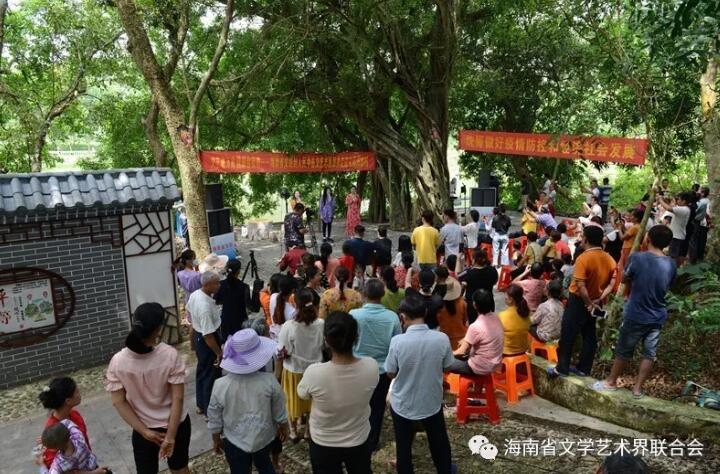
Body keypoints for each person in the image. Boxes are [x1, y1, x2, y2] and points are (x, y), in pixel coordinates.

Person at [591, 225, 676, 399]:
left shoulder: (637, 257)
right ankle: (637, 389)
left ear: (648, 239)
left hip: (636, 312)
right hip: (658, 314)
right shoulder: (671, 263)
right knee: (649, 353)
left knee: (624, 349)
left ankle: (611, 382)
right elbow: (669, 284)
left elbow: (624, 279)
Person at [106, 303, 190, 474]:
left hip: (143, 428)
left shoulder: (118, 361)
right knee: (180, 469)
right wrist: (170, 436)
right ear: (157, 330)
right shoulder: (169, 355)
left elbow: (118, 402)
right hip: (176, 425)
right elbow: (178, 398)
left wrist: (144, 432)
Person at [298, 312, 378, 473]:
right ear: (356, 338)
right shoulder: (371, 366)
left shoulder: (314, 372)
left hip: (323, 441)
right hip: (358, 438)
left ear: (326, 340)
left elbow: (302, 394)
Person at [385, 293, 455, 474]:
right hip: (431, 401)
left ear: (402, 317)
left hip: (403, 403)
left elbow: (390, 372)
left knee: (403, 446)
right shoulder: (441, 338)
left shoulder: (397, 342)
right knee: (439, 441)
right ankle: (444, 469)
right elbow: (448, 365)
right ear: (425, 312)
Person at [207, 329, 289, 474]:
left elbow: (214, 417)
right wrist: (284, 427)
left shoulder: (220, 385)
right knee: (265, 465)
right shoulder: (269, 381)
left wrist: (216, 438)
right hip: (263, 436)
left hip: (234, 439)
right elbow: (279, 411)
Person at [550, 225, 617, 378]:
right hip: (596, 301)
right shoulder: (610, 259)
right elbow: (612, 285)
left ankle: (562, 368)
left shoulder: (583, 258)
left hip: (579, 301)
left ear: (586, 239)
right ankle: (584, 368)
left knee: (568, 333)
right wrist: (598, 299)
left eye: (582, 236)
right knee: (589, 334)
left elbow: (581, 285)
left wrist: (588, 303)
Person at [350, 279, 402, 452]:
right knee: (377, 406)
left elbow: (348, 340)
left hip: (357, 366)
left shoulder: (354, 315)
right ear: (382, 294)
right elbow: (396, 344)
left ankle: (355, 437)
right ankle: (372, 441)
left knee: (357, 404)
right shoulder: (392, 317)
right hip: (382, 369)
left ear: (364, 294)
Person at [278, 288, 325, 442]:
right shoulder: (321, 324)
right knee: (312, 400)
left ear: (295, 305)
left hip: (294, 370)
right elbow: (324, 345)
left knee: (292, 400)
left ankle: (293, 431)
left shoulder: (289, 326)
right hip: (315, 369)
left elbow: (283, 350)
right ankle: (308, 431)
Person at [186, 271, 222, 417]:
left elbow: (190, 316)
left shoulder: (195, 294)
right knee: (210, 376)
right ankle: (209, 411)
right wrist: (218, 353)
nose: (219, 285)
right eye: (216, 283)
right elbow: (208, 335)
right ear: (207, 285)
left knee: (202, 371)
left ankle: (201, 404)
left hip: (199, 336)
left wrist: (192, 341)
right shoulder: (204, 307)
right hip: (208, 340)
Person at [38, 377, 90, 471]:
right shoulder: (52, 429)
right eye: (77, 392)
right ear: (68, 401)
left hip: (88, 463)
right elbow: (52, 464)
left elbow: (85, 442)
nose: (80, 393)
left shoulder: (74, 414)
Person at [448, 289, 504, 375]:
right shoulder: (496, 317)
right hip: (495, 363)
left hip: (479, 367)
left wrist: (447, 354)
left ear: (474, 305)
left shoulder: (475, 326)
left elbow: (461, 352)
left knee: (445, 361)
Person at [41, 422, 108, 474]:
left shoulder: (59, 463)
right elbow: (67, 422)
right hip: (94, 467)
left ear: (55, 448)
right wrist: (54, 434)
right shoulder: (79, 438)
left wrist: (42, 464)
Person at [457, 248, 498, 324]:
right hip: (489, 302)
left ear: (474, 259)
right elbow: (495, 282)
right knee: (488, 323)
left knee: (475, 325)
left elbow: (458, 276)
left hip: (473, 305)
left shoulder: (468, 273)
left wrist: (459, 261)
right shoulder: (493, 270)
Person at [215, 259, 250, 343]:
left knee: (227, 343)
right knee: (241, 343)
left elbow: (217, 300)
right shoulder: (244, 287)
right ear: (238, 271)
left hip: (226, 318)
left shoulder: (220, 284)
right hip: (240, 318)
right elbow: (249, 305)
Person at [656, 191, 691, 266]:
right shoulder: (685, 209)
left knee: (673, 255)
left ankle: (672, 269)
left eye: (679, 199)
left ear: (684, 201)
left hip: (676, 236)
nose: (677, 201)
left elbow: (668, 208)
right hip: (678, 235)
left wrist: (660, 200)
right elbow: (671, 206)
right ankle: (675, 268)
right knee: (675, 255)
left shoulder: (683, 209)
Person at [434, 272, 467, 351]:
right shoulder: (462, 303)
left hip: (445, 341)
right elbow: (464, 320)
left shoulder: (439, 306)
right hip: (462, 340)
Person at [498, 284, 531, 355]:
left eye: (506, 295)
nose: (504, 297)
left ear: (511, 299)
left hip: (506, 352)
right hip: (523, 350)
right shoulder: (526, 312)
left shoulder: (502, 315)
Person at [175, 249, 201, 325]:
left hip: (188, 298)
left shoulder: (180, 274)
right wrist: (197, 270)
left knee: (193, 321)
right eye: (194, 258)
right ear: (188, 261)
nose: (195, 260)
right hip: (198, 300)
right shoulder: (196, 275)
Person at [269, 275, 297, 341]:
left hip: (275, 336)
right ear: (293, 291)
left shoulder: (273, 297)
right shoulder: (293, 311)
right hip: (286, 341)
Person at [689, 186, 710, 263]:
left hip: (698, 222)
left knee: (695, 241)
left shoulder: (702, 202)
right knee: (699, 241)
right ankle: (698, 258)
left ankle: (694, 259)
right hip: (699, 223)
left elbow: (695, 210)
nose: (697, 192)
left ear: (703, 193)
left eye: (699, 191)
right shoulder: (705, 201)